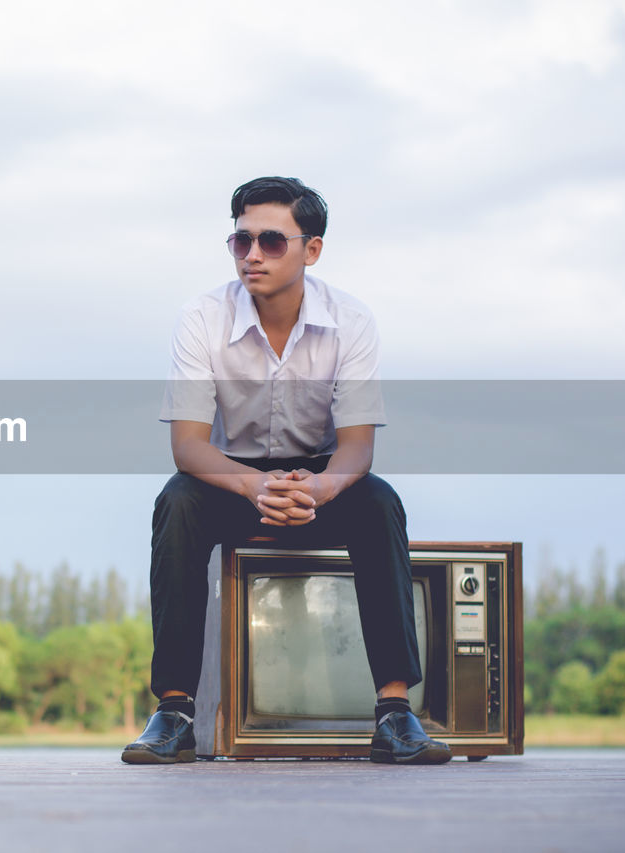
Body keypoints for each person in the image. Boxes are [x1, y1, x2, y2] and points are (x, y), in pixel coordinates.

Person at [121, 176, 451, 766]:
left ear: (312, 249)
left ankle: (396, 714)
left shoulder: (352, 321)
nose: (252, 255)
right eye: (240, 241)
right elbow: (188, 446)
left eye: (271, 242)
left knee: (379, 502)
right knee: (176, 502)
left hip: (322, 481)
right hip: (229, 478)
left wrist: (319, 489)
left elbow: (356, 448)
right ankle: (173, 712)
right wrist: (253, 485)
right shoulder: (201, 318)